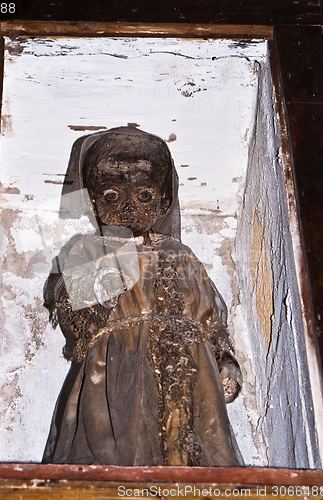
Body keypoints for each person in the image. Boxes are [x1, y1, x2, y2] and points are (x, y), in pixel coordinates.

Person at [42, 126, 243, 466]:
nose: (128, 207)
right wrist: (113, 264)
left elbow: (208, 316)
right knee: (112, 439)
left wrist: (224, 360)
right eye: (111, 196)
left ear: (164, 201)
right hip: (117, 359)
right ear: (93, 201)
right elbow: (72, 307)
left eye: (144, 195)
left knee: (192, 442)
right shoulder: (88, 249)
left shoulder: (180, 254)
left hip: (189, 364)